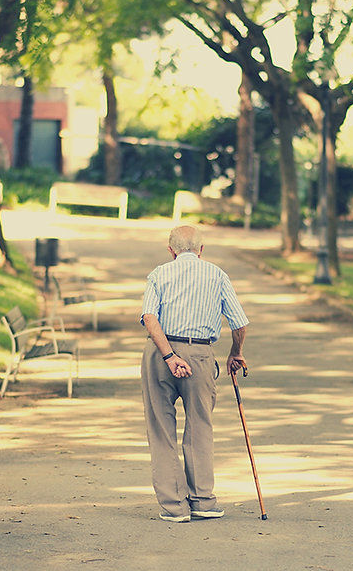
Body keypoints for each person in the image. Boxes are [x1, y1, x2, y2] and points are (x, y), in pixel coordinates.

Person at [140, 224, 249, 523]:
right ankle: (202, 501)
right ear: (201, 250)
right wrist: (235, 353)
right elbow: (239, 323)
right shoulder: (217, 275)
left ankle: (173, 507)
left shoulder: (159, 274)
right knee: (200, 427)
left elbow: (150, 317)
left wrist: (169, 356)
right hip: (200, 354)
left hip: (160, 355)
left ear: (171, 250)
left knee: (161, 430)